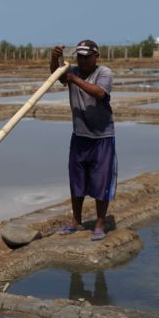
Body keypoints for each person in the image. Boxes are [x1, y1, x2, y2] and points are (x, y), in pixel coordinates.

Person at [50, 40, 116, 241]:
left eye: (87, 56)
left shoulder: (104, 73)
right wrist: (55, 58)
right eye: (80, 56)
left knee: (101, 181)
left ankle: (99, 224)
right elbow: (56, 75)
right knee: (77, 180)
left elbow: (99, 93)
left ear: (96, 56)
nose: (83, 60)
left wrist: (73, 79)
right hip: (80, 135)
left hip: (102, 136)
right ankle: (76, 221)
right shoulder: (73, 71)